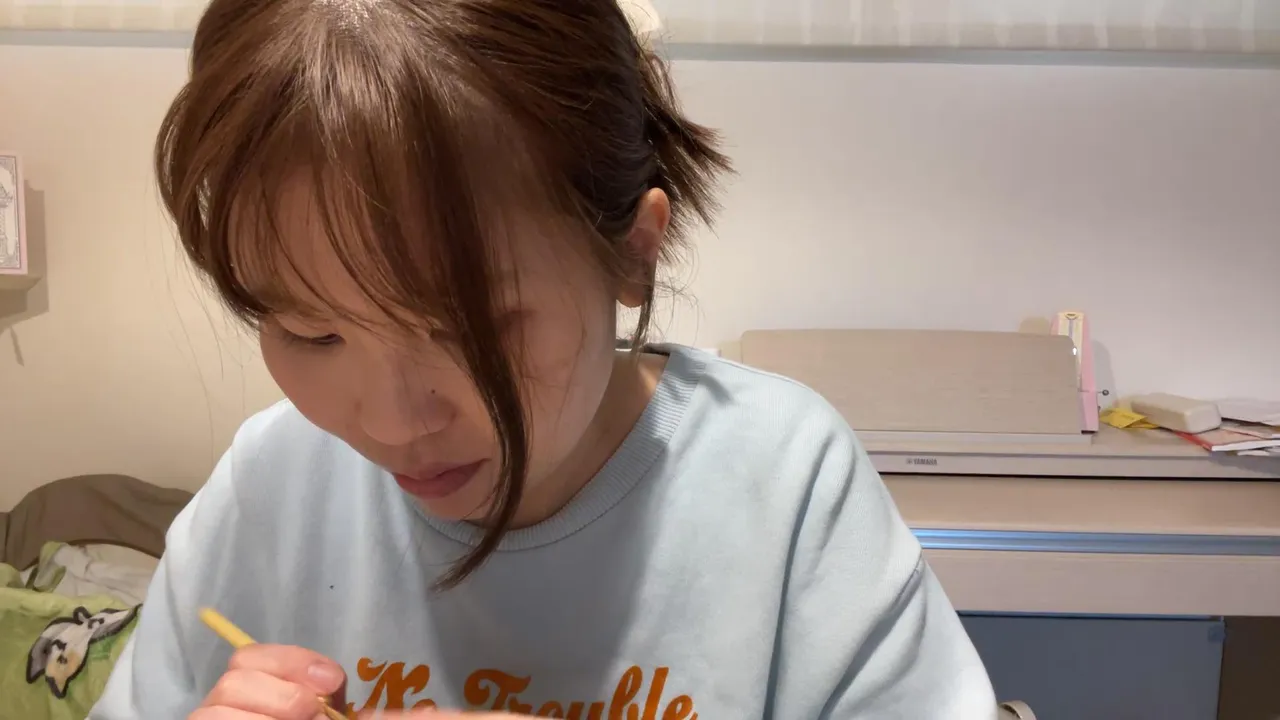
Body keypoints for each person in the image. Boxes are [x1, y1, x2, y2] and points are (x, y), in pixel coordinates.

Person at [91, 0, 997, 717]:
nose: (395, 423)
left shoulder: (781, 480)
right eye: (311, 333)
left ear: (632, 252)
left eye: (474, 332)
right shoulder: (271, 487)